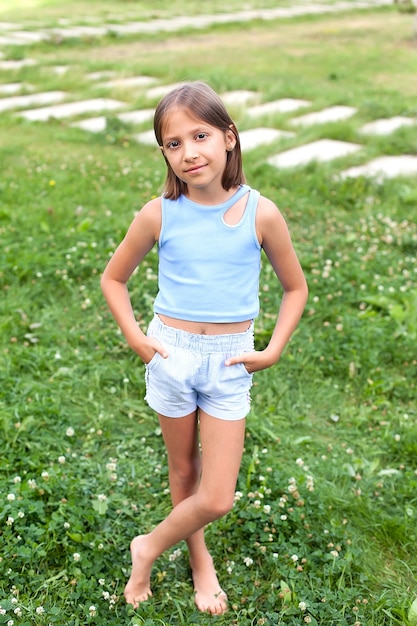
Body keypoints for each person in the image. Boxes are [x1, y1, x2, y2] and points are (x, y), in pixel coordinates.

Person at [100, 81, 308, 615]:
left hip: (232, 360)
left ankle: (147, 546)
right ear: (165, 153)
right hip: (171, 355)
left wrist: (274, 348)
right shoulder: (159, 213)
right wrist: (140, 340)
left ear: (229, 138)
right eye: (173, 143)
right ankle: (199, 561)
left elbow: (295, 287)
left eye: (201, 135)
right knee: (183, 472)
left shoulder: (261, 213)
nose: (189, 152)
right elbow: (113, 280)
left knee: (217, 496)